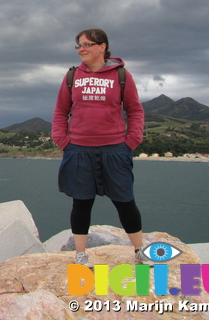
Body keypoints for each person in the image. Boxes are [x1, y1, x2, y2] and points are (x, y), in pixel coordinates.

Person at [51, 28, 146, 267]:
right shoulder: (72, 76)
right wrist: (62, 140)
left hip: (115, 149)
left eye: (87, 44)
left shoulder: (121, 75)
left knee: (125, 201)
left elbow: (134, 110)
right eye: (79, 46)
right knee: (81, 203)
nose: (81, 49)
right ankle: (81, 255)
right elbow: (61, 111)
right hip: (78, 149)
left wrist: (131, 141)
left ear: (102, 46)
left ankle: (140, 251)